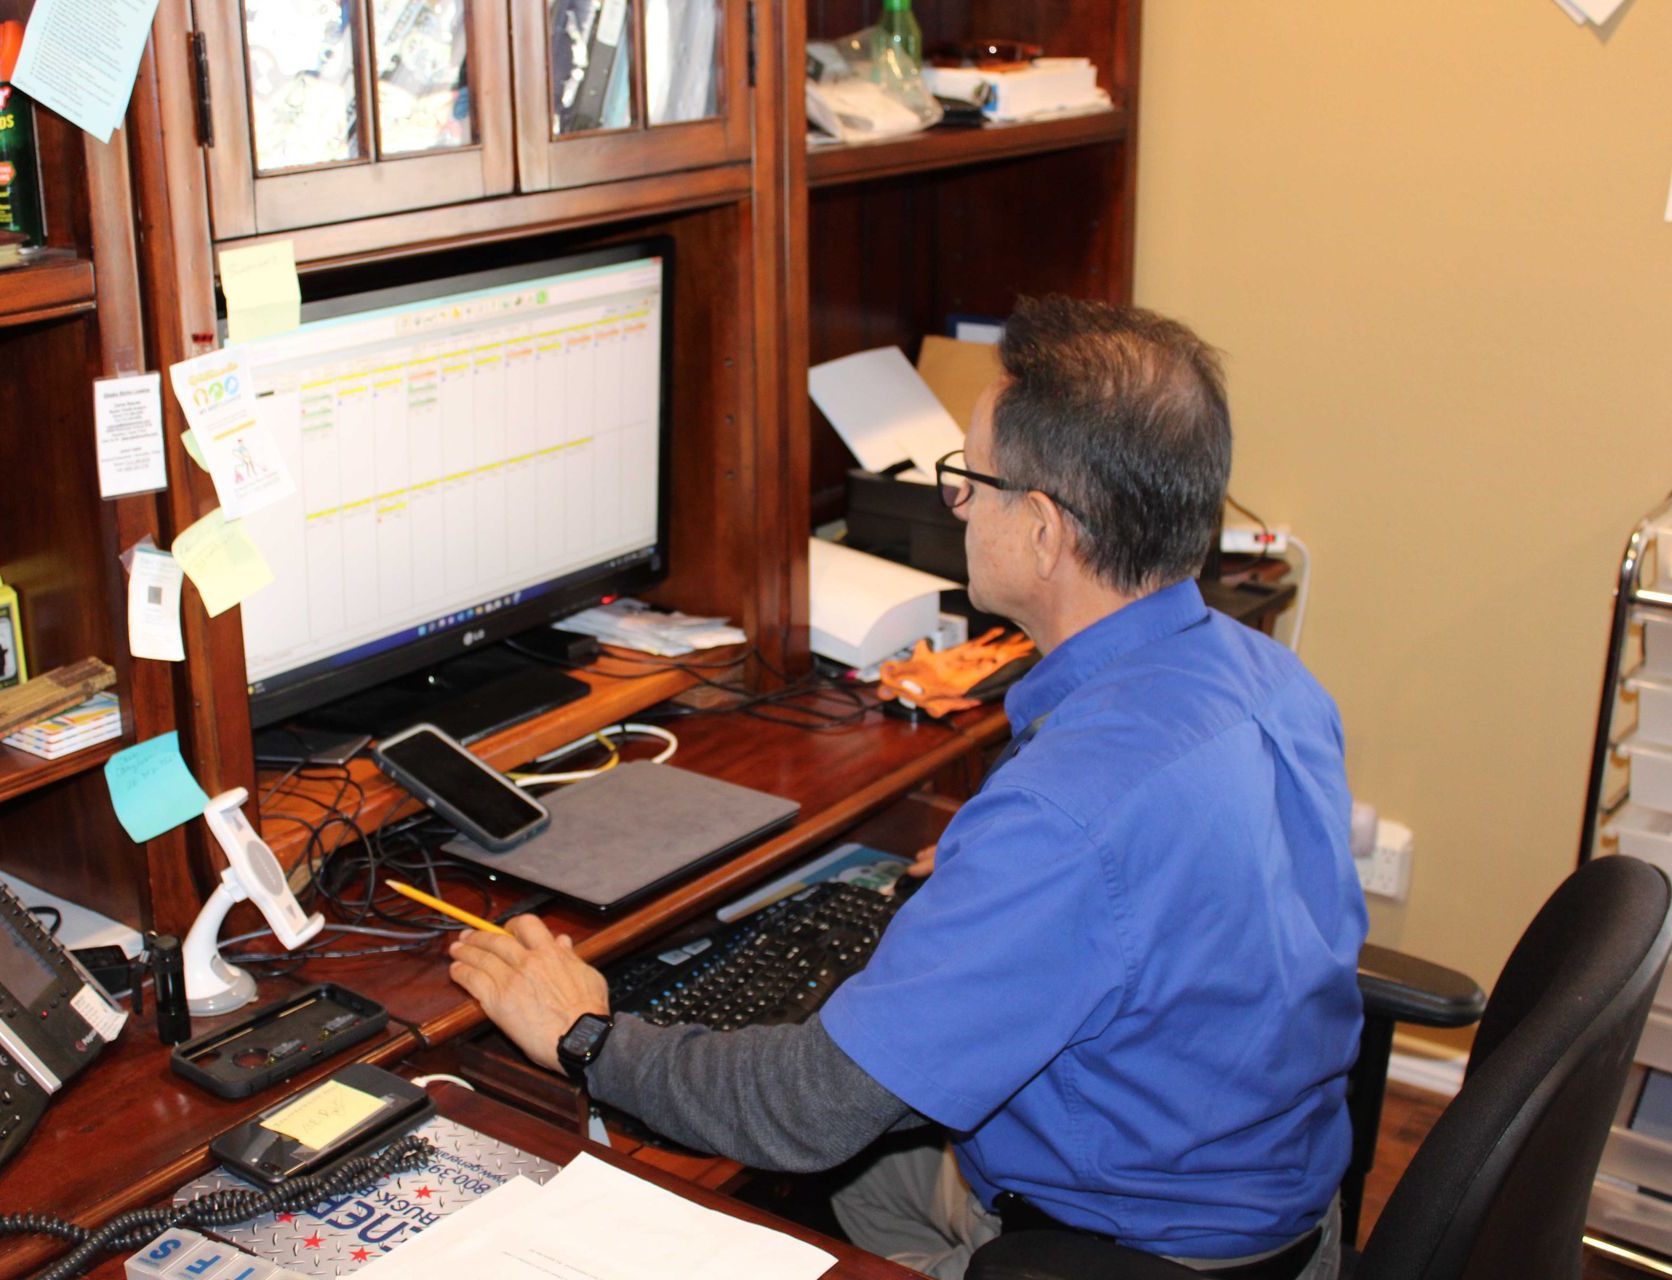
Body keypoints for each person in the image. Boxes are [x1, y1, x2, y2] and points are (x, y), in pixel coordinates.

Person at [446, 295, 1367, 1280]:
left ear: (1048, 532)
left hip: (1124, 1250)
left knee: (726, 1187)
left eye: (970, 482)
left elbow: (806, 1107)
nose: (956, 506)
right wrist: (998, 886)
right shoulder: (1273, 680)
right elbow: (1190, 895)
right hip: (1280, 1215)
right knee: (844, 1175)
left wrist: (586, 1035)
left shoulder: (1065, 815)